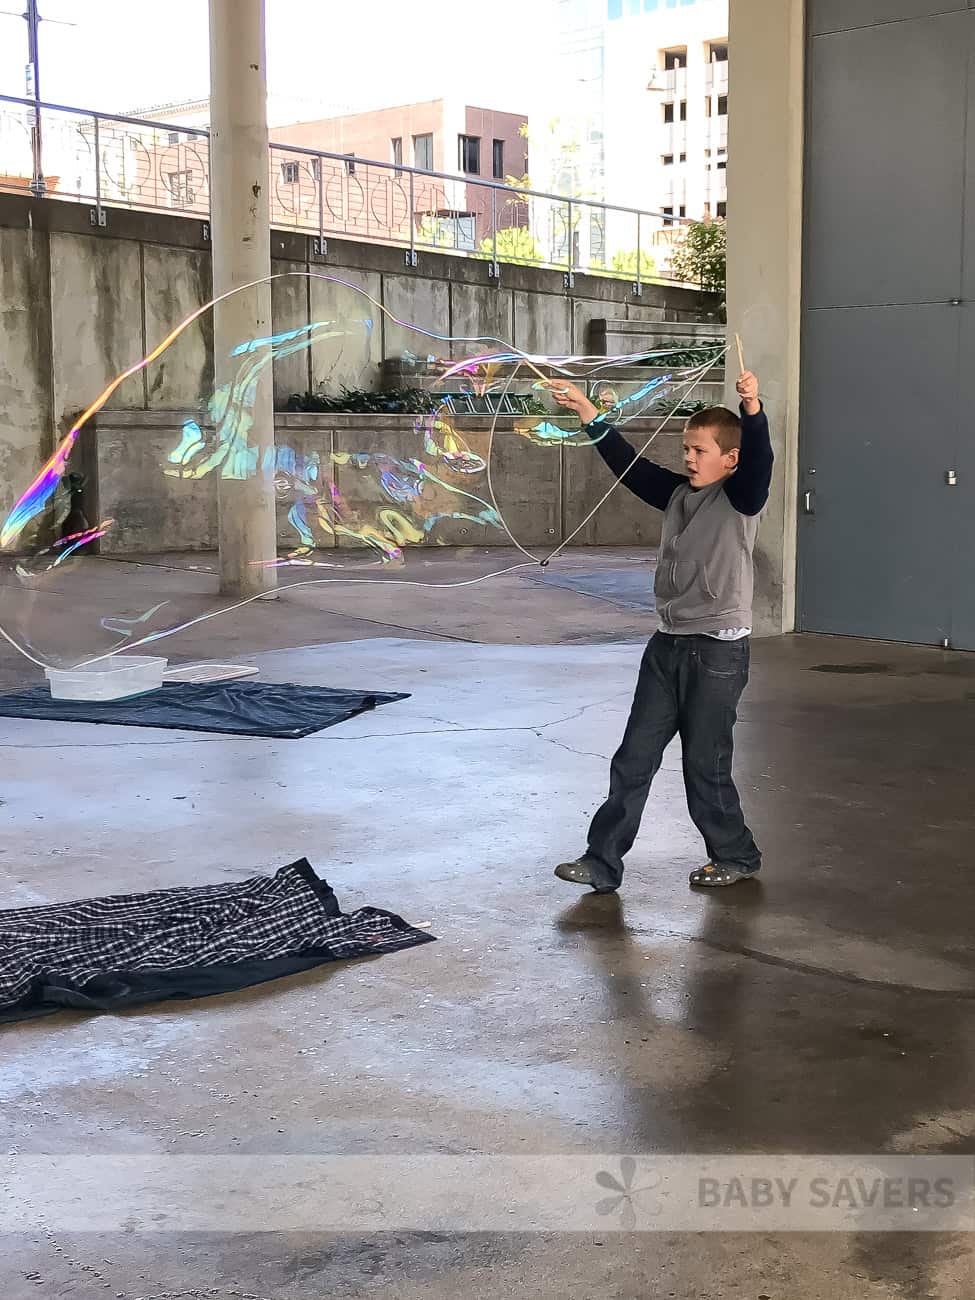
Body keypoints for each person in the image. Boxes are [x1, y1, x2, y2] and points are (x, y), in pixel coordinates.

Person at [546, 369, 773, 892]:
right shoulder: (675, 493)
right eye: (686, 448)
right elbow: (630, 466)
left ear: (729, 459)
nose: (689, 457)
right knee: (633, 759)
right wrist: (587, 413)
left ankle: (735, 854)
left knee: (705, 765)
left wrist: (752, 410)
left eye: (698, 450)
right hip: (668, 644)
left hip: (717, 651)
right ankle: (601, 863)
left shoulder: (742, 500)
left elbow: (761, 461)